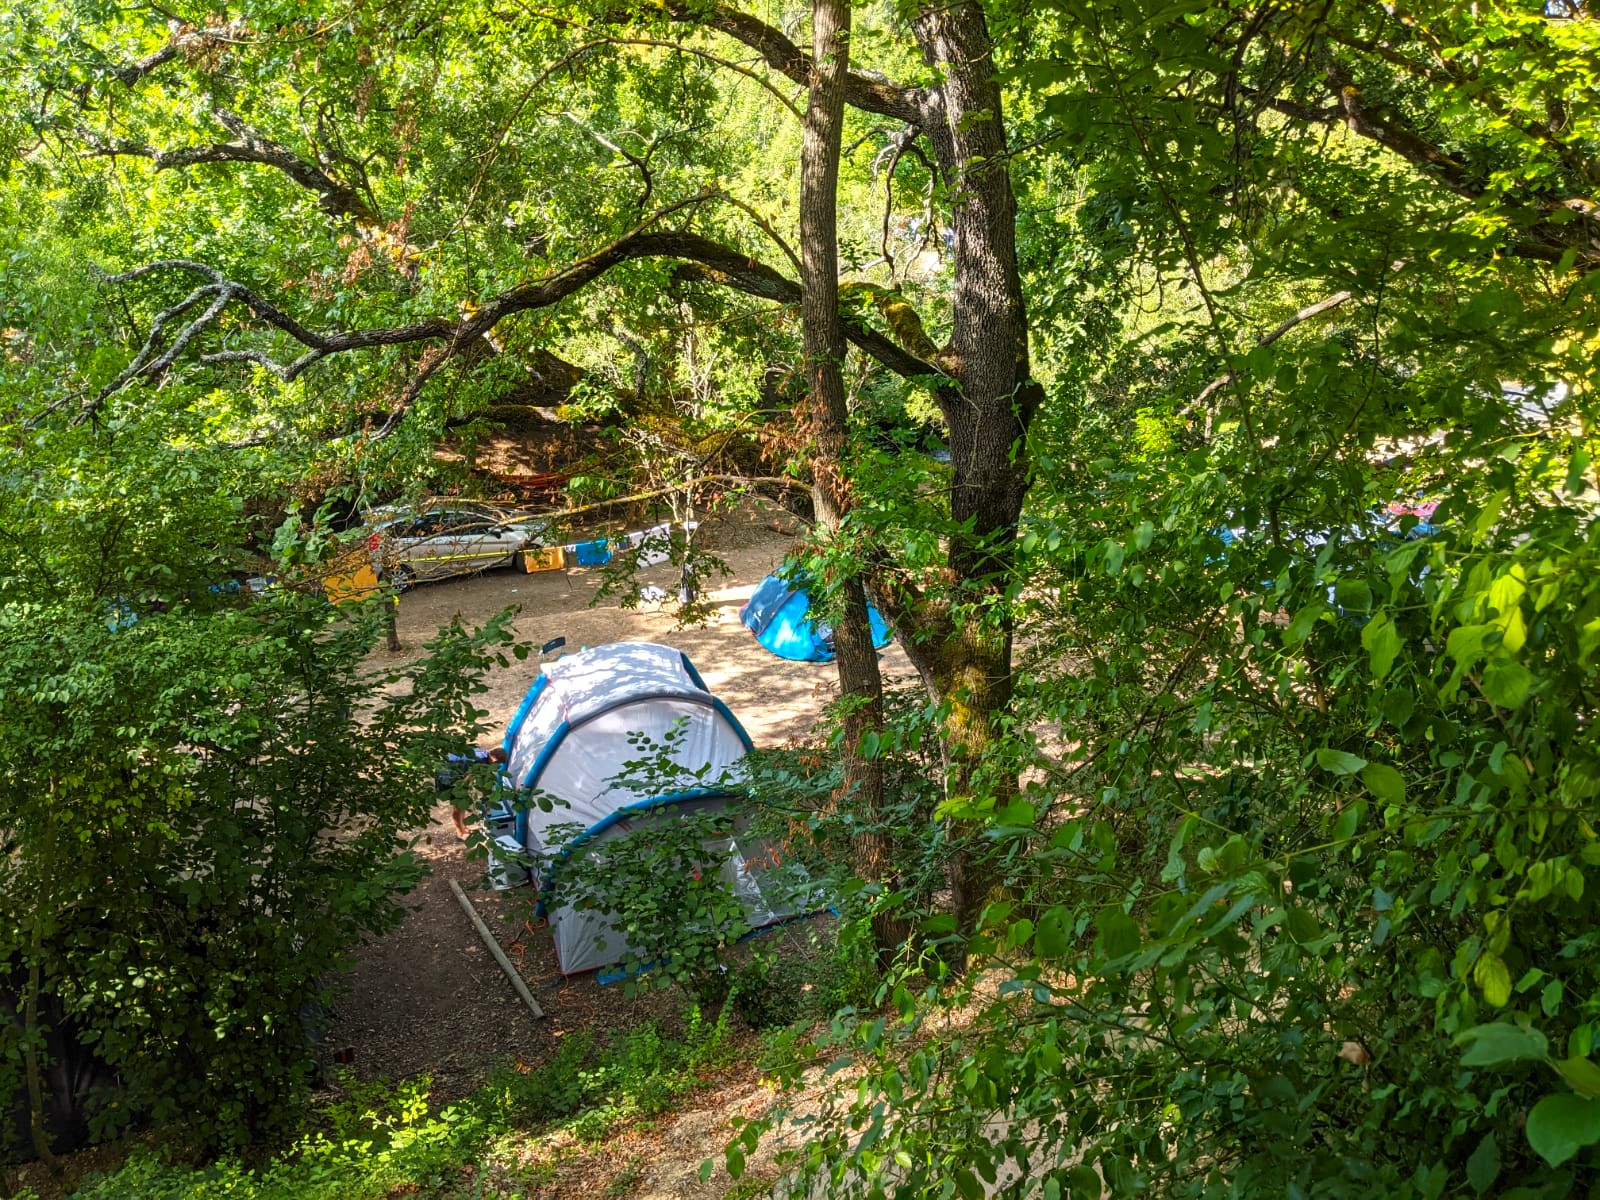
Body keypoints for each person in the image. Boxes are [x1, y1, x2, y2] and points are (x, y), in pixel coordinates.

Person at [437, 745, 508, 839]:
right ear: (494, 761)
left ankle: (463, 827)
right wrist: (487, 801)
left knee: (462, 803)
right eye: (498, 764)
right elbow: (469, 781)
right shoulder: (480, 762)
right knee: (458, 805)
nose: (497, 767)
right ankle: (460, 832)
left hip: (451, 770)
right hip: (447, 776)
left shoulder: (483, 754)